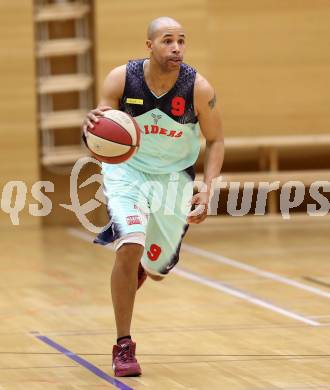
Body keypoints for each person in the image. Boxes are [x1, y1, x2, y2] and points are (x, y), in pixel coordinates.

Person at [82, 16, 224, 377]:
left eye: (181, 41)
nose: (176, 47)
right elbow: (101, 122)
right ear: (150, 46)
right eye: (167, 40)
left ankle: (146, 269)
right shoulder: (121, 79)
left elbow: (217, 140)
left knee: (158, 269)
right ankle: (124, 345)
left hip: (174, 179)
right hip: (126, 172)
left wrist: (206, 189)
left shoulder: (198, 88)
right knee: (129, 244)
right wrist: (93, 123)